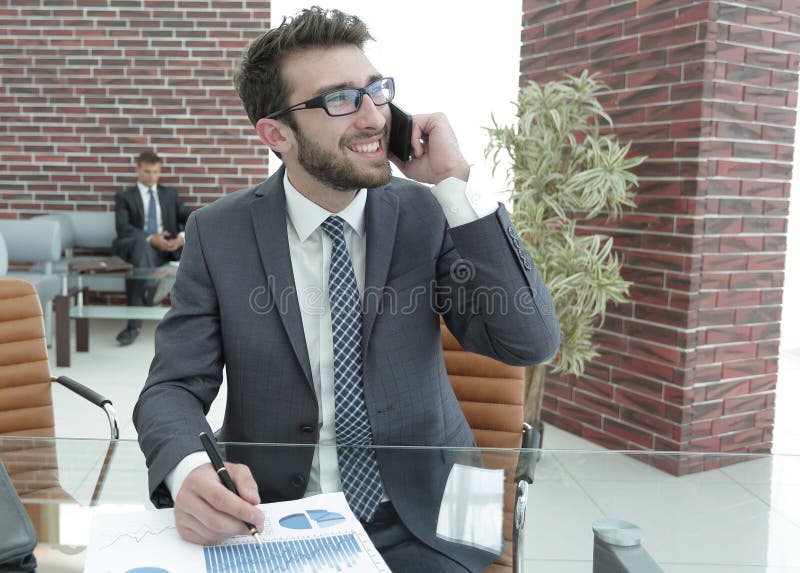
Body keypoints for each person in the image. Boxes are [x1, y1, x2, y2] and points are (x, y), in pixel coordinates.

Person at [134, 7, 559, 572]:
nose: (374, 117)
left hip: (442, 508)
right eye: (340, 99)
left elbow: (529, 340)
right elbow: (171, 387)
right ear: (276, 134)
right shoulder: (218, 232)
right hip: (276, 516)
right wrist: (189, 472)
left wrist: (454, 188)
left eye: (375, 91)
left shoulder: (428, 213)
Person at [112, 150, 190, 345]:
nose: (152, 176)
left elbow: (189, 218)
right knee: (141, 247)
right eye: (147, 171)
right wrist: (150, 238)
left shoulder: (169, 194)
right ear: (137, 170)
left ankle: (136, 322)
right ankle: (146, 298)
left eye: (156, 172)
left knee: (145, 257)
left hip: (168, 247)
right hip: (137, 247)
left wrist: (181, 237)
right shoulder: (124, 196)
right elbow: (123, 229)